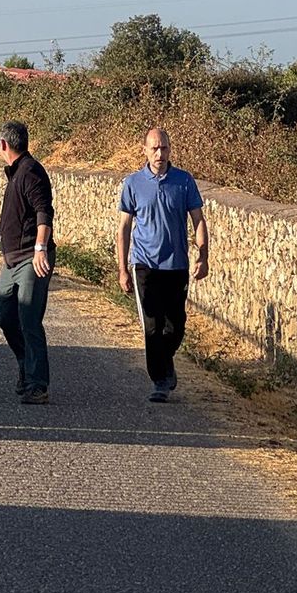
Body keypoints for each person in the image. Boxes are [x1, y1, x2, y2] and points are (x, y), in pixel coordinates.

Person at [116, 127, 210, 402]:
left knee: (176, 325)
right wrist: (123, 268)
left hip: (176, 264)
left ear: (170, 150)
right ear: (144, 150)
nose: (160, 153)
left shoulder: (183, 182)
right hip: (144, 264)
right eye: (154, 148)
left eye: (164, 148)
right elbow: (123, 228)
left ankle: (164, 362)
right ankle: (160, 379)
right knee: (152, 325)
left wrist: (203, 256)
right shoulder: (133, 184)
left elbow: (198, 220)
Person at [0, 121, 55, 404]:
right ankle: (25, 364)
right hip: (11, 260)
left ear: (3, 144)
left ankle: (38, 384)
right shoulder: (16, 175)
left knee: (29, 319)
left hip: (31, 258)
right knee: (6, 318)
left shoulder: (31, 173)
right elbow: (6, 223)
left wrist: (40, 249)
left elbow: (44, 212)